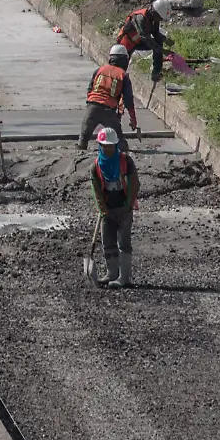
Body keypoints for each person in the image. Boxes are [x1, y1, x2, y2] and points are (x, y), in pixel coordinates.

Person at [89, 127, 140, 288]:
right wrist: (102, 209)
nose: (108, 149)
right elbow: (96, 190)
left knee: (123, 242)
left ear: (115, 145)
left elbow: (134, 183)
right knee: (108, 241)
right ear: (100, 146)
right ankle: (112, 273)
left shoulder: (125, 161)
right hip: (107, 210)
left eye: (110, 145)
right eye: (105, 146)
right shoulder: (96, 166)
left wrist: (129, 204)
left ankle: (123, 277)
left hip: (123, 208)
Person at [78, 43, 138, 147]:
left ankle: (81, 148)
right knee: (119, 140)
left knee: (83, 137)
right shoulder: (123, 75)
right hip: (108, 111)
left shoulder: (99, 70)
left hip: (92, 107)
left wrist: (90, 105)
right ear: (125, 60)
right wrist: (133, 119)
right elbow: (128, 99)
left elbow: (90, 89)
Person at [116, 0, 173, 85]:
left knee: (158, 43)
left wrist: (165, 40)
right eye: (160, 18)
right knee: (120, 68)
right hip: (126, 43)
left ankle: (156, 73)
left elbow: (155, 33)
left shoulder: (154, 19)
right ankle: (118, 84)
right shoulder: (140, 18)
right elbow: (145, 37)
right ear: (155, 12)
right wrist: (163, 51)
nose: (160, 20)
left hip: (138, 42)